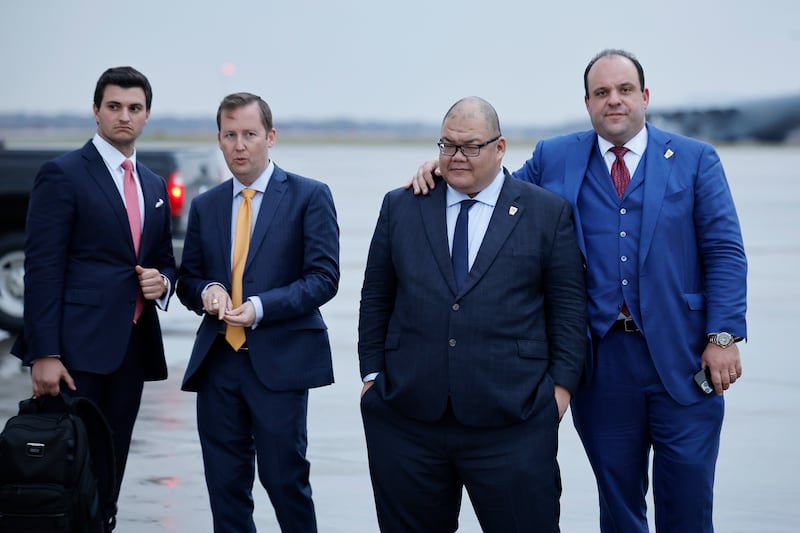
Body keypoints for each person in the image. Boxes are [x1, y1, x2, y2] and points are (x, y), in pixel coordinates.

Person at [411, 50, 748, 532]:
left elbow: (724, 252)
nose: (614, 101)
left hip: (685, 357)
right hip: (601, 361)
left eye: (625, 90)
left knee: (689, 501)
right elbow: (497, 194)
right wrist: (447, 167)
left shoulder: (696, 159)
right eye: (602, 93)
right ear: (587, 103)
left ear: (645, 97)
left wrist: (723, 337)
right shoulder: (555, 156)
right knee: (618, 501)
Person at [359, 96, 587, 532]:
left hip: (513, 422)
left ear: (500, 148)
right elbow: (376, 299)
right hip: (408, 420)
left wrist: (556, 397)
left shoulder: (546, 213)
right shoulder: (402, 206)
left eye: (470, 146)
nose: (455, 157)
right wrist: (372, 379)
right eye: (447, 145)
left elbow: (568, 312)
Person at [177, 92, 339, 532]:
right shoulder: (206, 205)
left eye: (249, 134)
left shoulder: (309, 196)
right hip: (217, 365)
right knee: (225, 488)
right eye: (230, 135)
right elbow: (188, 278)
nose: (239, 145)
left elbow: (324, 278)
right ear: (219, 139)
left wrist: (261, 308)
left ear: (270, 137)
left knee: (285, 481)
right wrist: (208, 290)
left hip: (279, 364)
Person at [12, 66, 176, 500]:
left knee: (109, 474)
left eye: (135, 108)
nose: (124, 115)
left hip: (132, 354)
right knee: (64, 478)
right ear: (96, 111)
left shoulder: (154, 184)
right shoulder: (63, 174)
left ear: (147, 115)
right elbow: (43, 267)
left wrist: (164, 282)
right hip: (75, 355)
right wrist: (43, 352)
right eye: (114, 106)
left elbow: (163, 261)